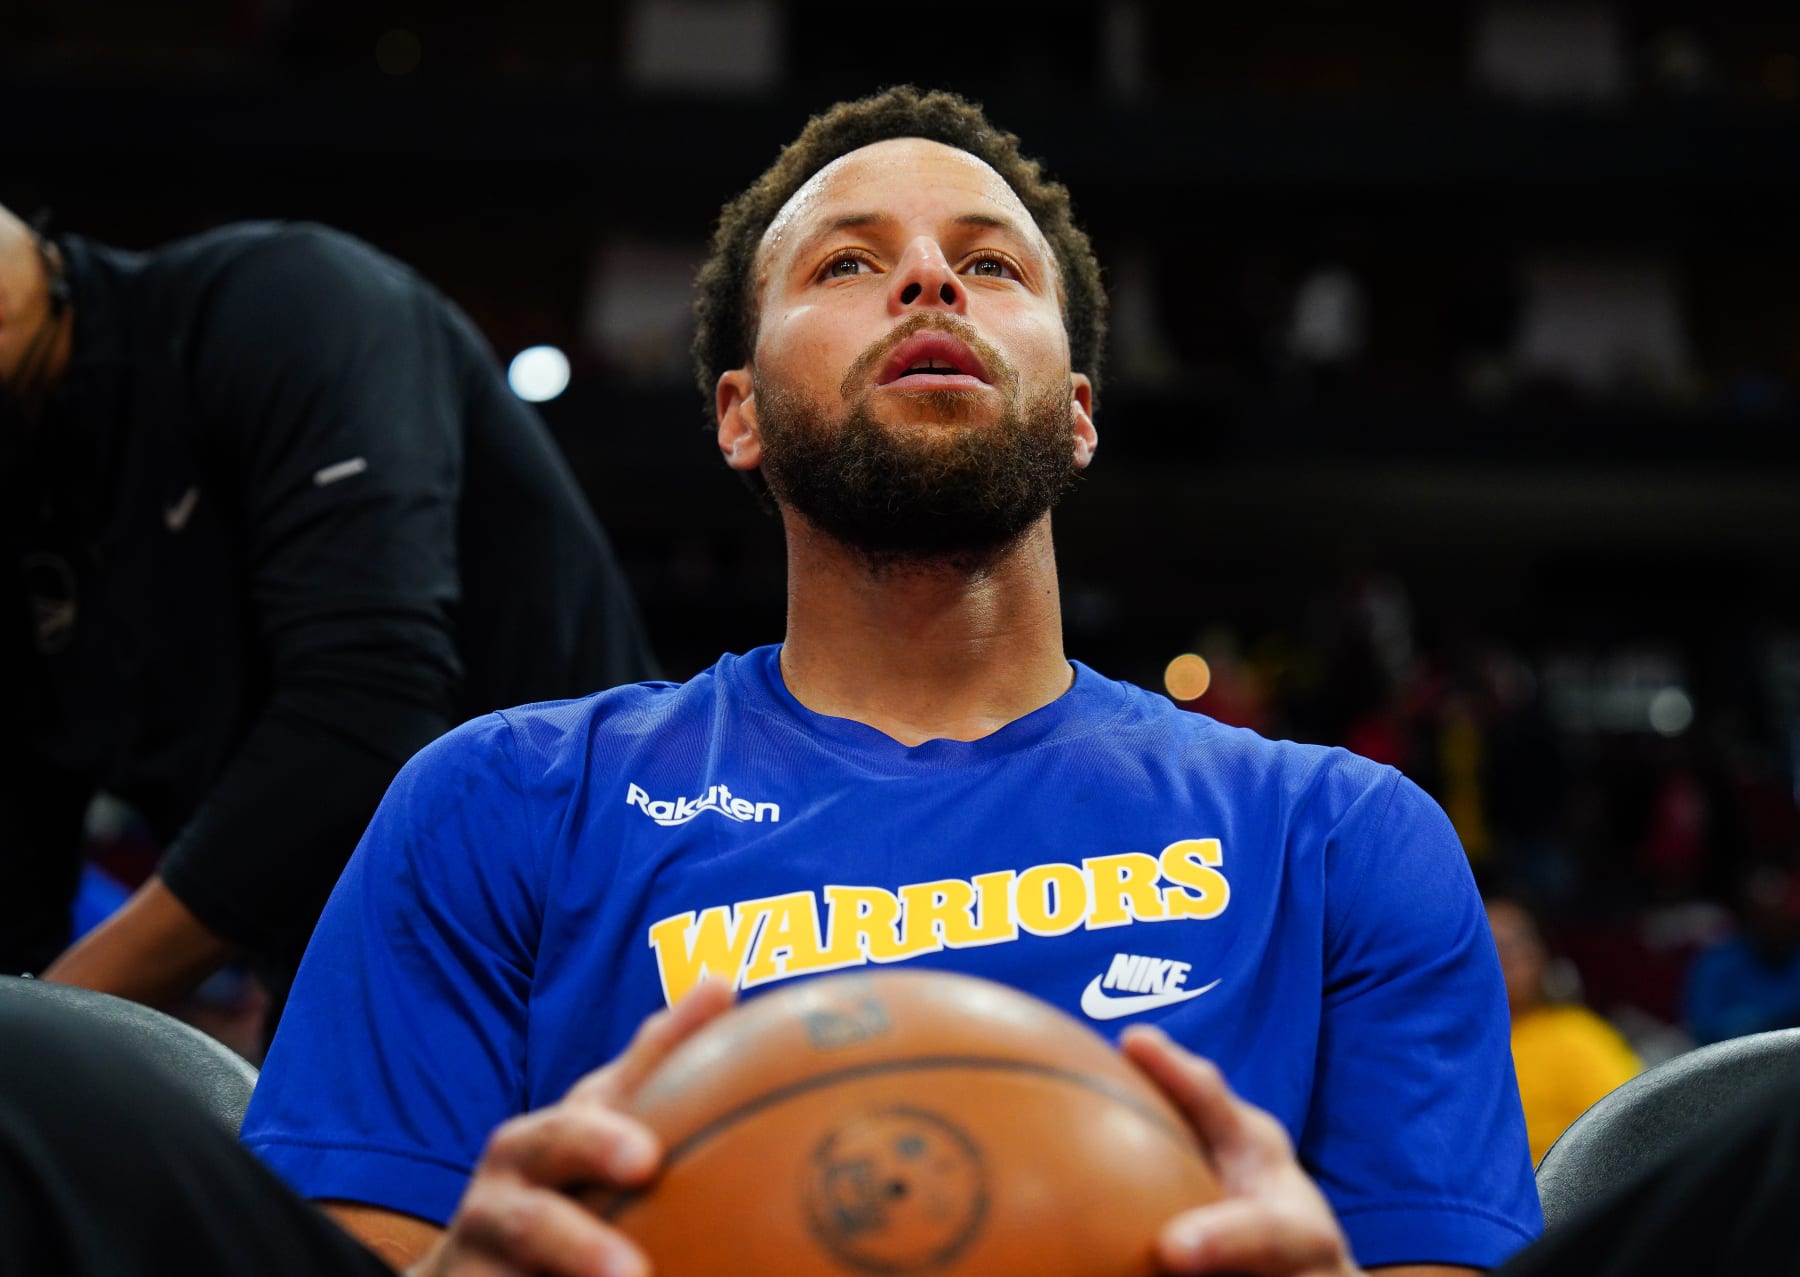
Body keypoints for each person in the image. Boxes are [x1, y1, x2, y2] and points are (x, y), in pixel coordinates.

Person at [233, 86, 1538, 1275]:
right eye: (848, 263)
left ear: (1079, 411)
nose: (929, 279)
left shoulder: (1344, 838)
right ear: (740, 413)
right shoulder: (497, 803)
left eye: (992, 263)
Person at [0, 205, 658, 1027]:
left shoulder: (286, 305)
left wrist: (47, 1026)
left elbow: (365, 717)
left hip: (578, 933)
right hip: (343, 982)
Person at [1486, 895, 1641, 1164]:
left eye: (1518, 941)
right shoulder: (1453, 1049)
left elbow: (1632, 1127)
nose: (1509, 956)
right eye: (1493, 944)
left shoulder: (1575, 1035)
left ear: (1538, 954)